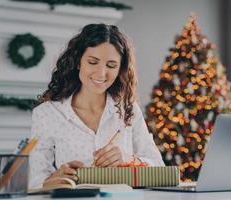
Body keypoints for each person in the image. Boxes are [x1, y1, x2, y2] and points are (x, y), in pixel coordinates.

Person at [29, 24, 165, 188]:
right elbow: (34, 182)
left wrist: (128, 159)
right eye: (93, 62)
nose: (101, 73)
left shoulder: (128, 108)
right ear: (78, 62)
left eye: (111, 65)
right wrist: (52, 180)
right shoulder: (47, 114)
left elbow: (159, 166)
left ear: (120, 69)